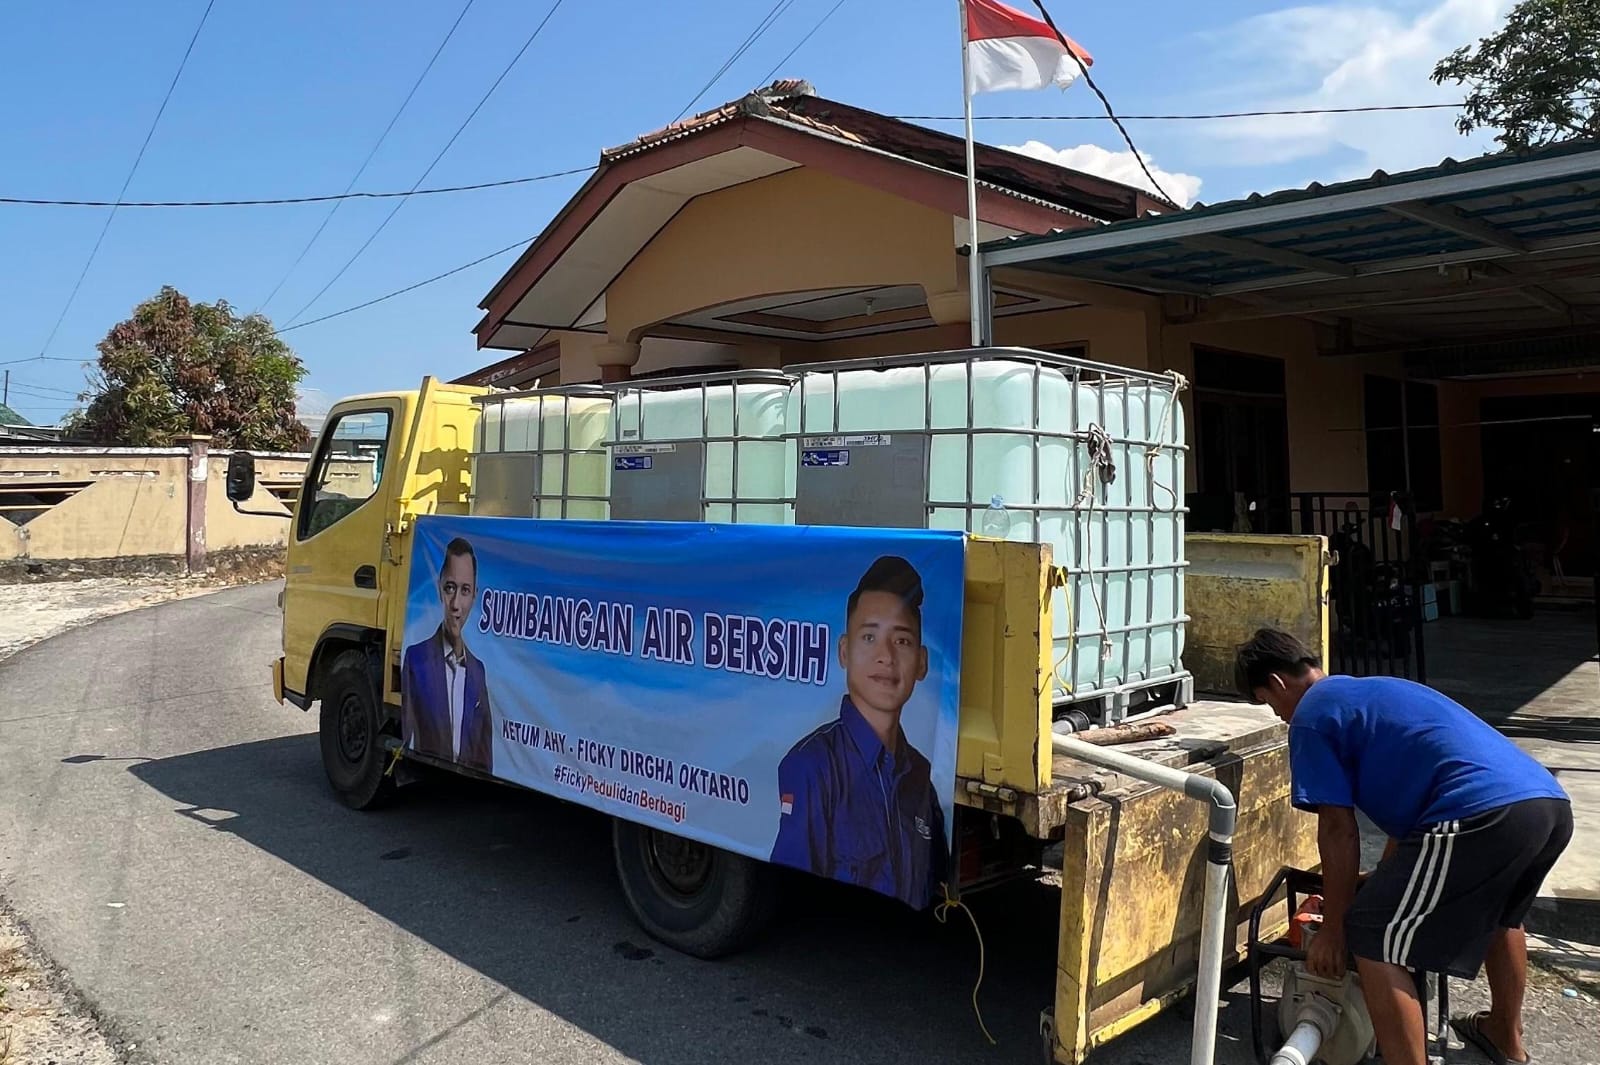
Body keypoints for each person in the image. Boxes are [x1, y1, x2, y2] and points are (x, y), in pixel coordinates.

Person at [1235, 629, 1571, 1065]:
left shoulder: (1312, 716)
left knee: (1373, 933)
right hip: (1544, 804)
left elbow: (1338, 830)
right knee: (1499, 914)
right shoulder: (1374, 691)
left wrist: (1335, 930)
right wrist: (1383, 880)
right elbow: (1413, 815)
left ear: (1278, 684)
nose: (1278, 715)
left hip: (1479, 812)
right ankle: (1504, 1036)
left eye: (1268, 703)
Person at [770, 555, 949, 909]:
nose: (885, 656)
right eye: (869, 637)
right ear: (844, 651)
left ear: (922, 663)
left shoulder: (921, 777)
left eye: (901, 641)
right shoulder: (813, 767)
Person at [401, 537, 495, 774]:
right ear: (439, 588)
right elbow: (406, 734)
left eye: (465, 591)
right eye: (450, 588)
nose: (455, 604)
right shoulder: (416, 659)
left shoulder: (478, 670)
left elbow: (485, 754)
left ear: (475, 595)